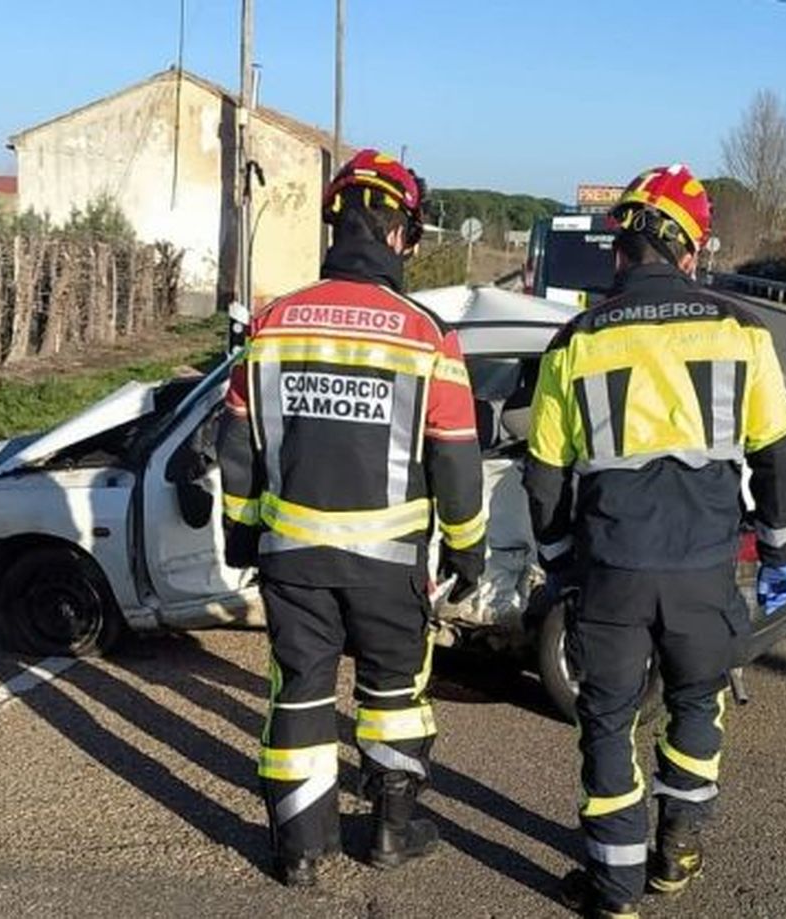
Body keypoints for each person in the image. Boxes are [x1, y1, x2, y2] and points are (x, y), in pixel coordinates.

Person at [524, 164, 786, 917]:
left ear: (621, 247)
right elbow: (777, 453)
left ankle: (614, 890)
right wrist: (779, 552)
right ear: (691, 250)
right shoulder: (740, 330)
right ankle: (677, 850)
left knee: (608, 721)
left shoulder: (576, 340)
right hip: (705, 570)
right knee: (696, 705)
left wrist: (558, 561)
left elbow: (543, 475)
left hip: (611, 571)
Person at [218, 149, 487, 888]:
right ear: (401, 234)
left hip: (292, 559)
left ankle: (302, 851)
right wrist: (468, 551)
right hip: (389, 566)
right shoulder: (427, 335)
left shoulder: (272, 324)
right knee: (393, 697)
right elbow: (457, 458)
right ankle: (391, 833)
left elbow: (236, 445)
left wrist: (241, 532)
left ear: (335, 225)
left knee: (300, 693)